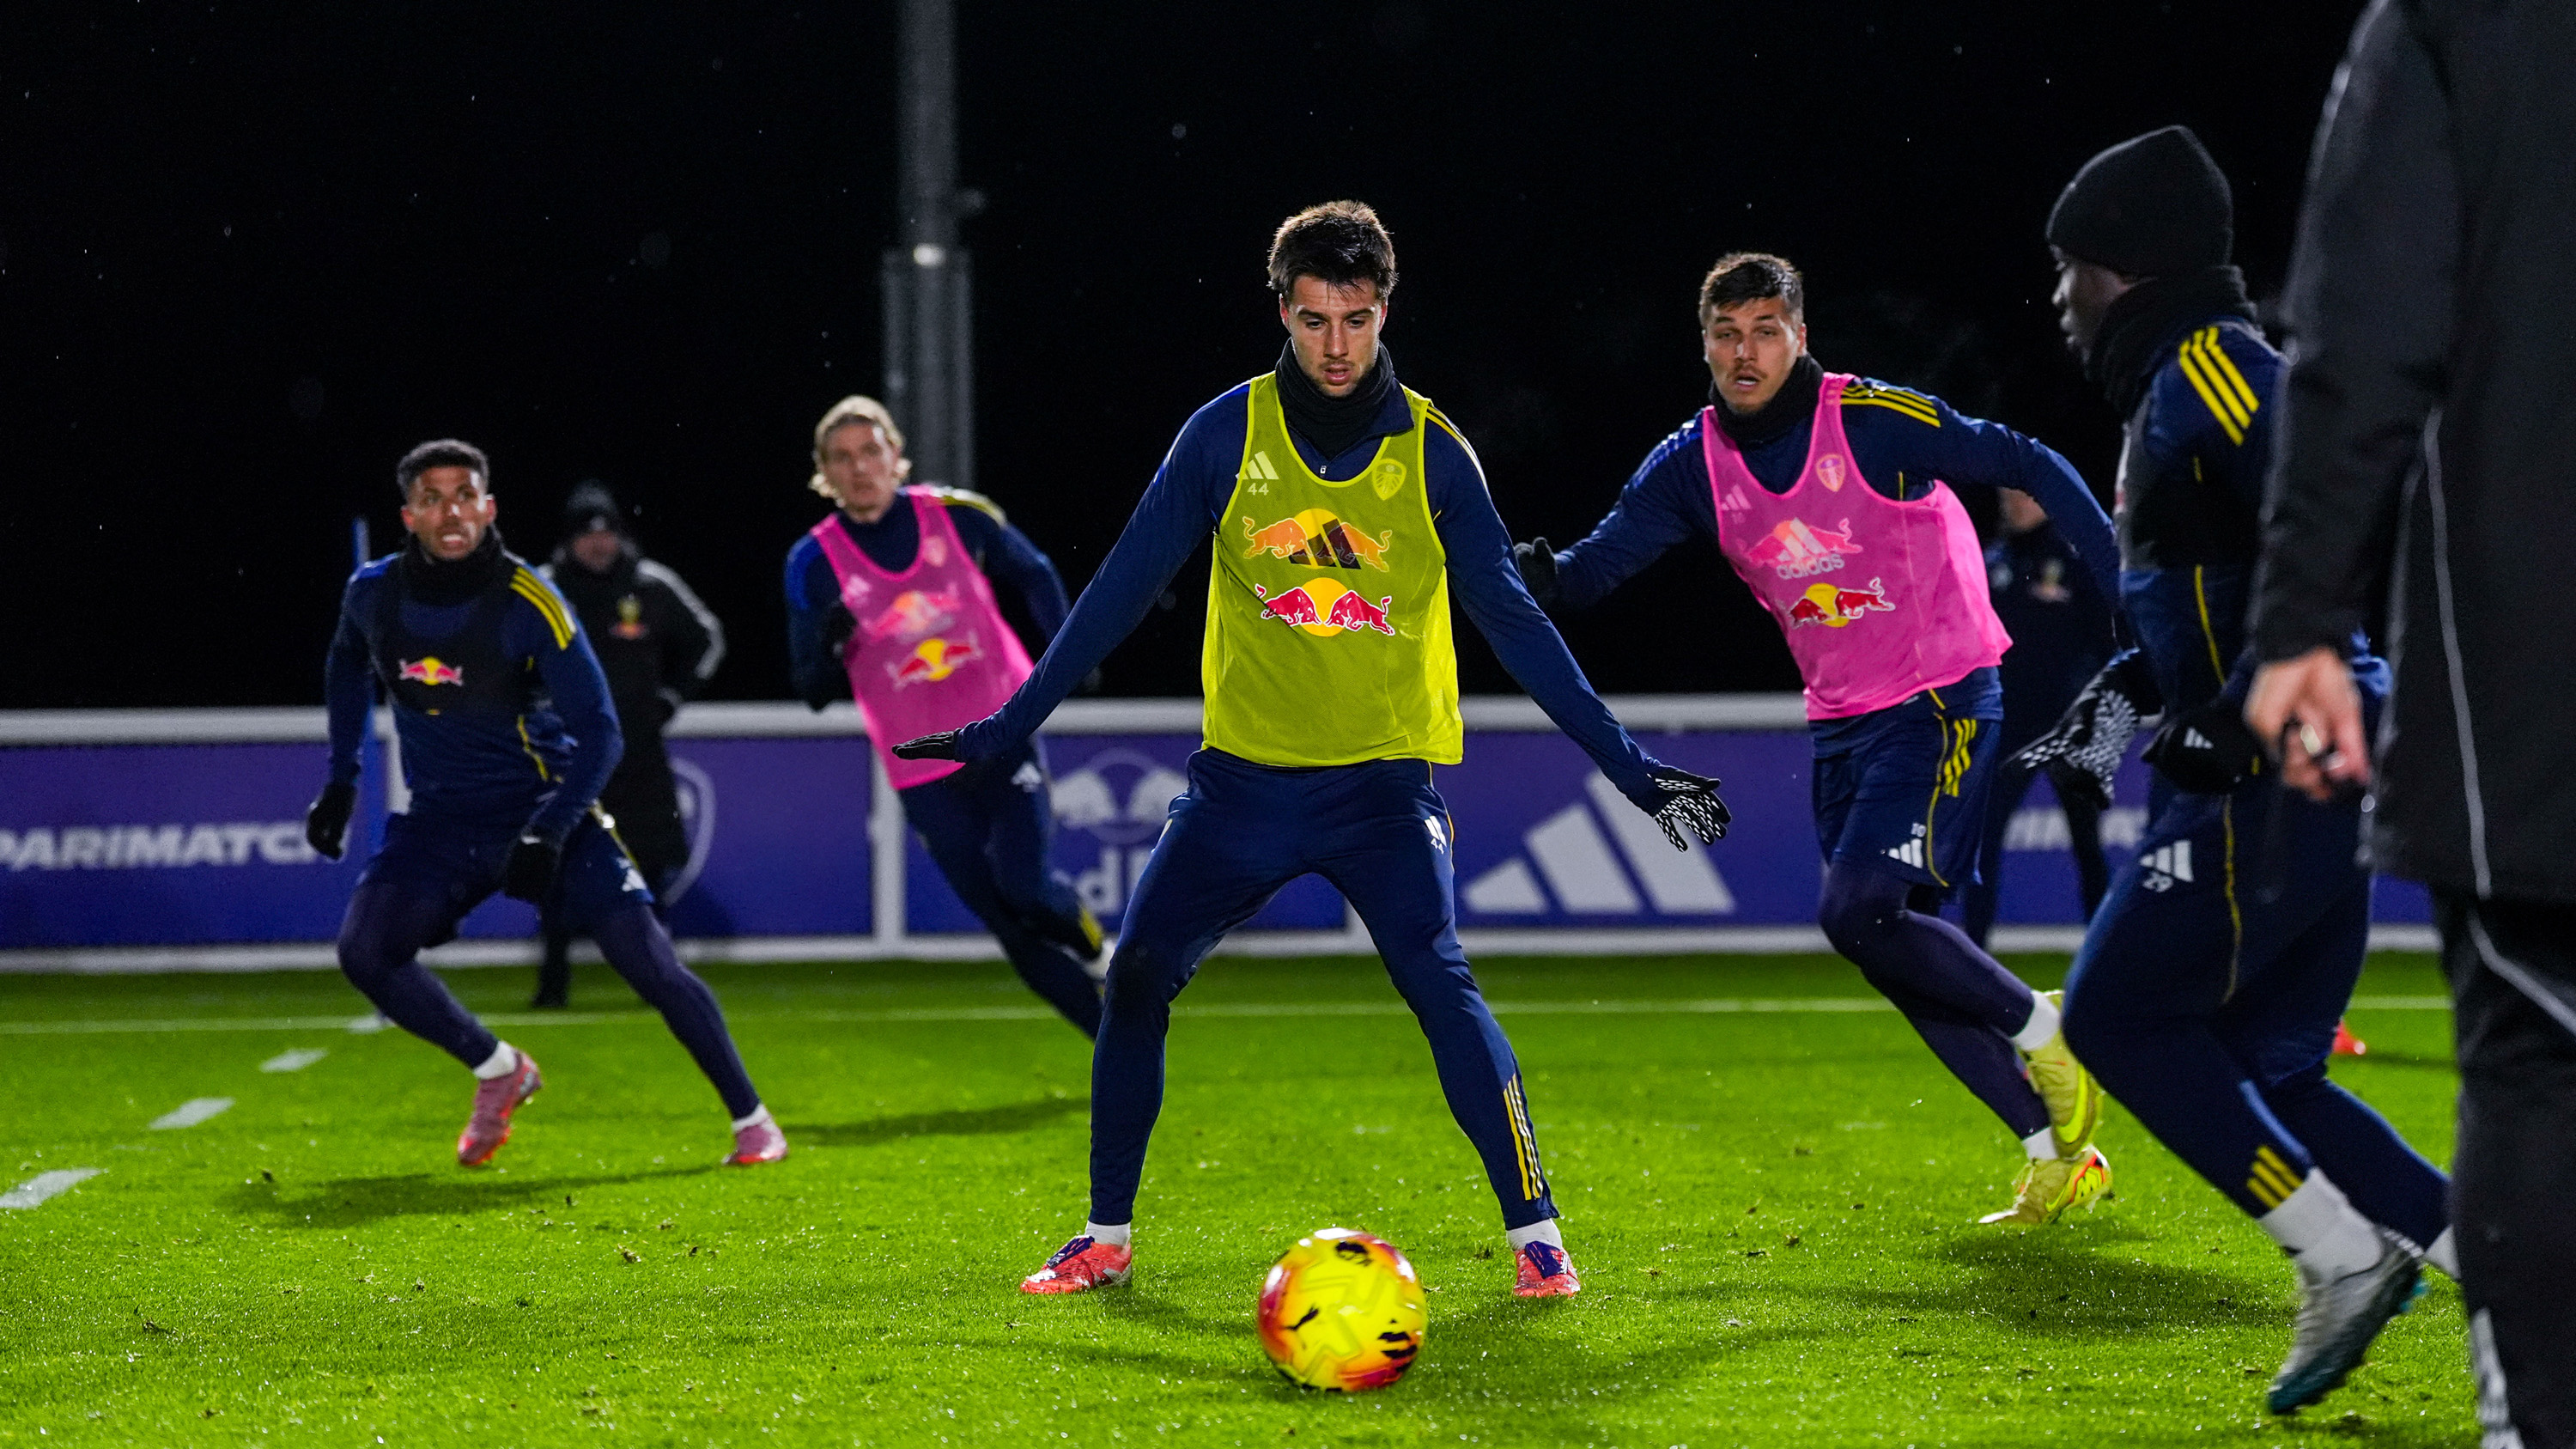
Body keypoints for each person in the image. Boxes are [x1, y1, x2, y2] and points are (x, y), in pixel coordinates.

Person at [895, 201, 1729, 1299]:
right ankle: (1104, 1237)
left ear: (1387, 311)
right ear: (1281, 311)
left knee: (1438, 978)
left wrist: (1633, 770)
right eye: (1315, 318)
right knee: (1136, 973)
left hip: (1383, 791)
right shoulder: (1222, 435)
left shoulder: (1435, 453)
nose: (1337, 344)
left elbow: (1517, 623)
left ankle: (1539, 1238)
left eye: (1358, 318)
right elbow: (1118, 591)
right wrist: (1011, 722)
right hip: (1238, 788)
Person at [1518, 252, 2118, 1226]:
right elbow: (1591, 571)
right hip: (1841, 720)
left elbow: (2025, 459)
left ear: (1800, 335)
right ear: (1704, 346)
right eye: (1726, 334)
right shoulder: (1690, 465)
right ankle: (2054, 1149)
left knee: (1857, 909)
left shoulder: (1870, 418)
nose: (1744, 352)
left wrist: (2122, 576)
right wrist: (1531, 576)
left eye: (1764, 330)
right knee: (1887, 944)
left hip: (1942, 697)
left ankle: (2045, 1032)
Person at [2026, 125, 2453, 1415]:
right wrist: (2136, 686)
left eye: (2074, 270)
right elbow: (2228, 579)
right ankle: (2520, 1274)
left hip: (2285, 768)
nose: (2059, 298)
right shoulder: (2172, 381)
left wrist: (2250, 710)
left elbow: (2341, 513)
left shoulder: (2211, 368)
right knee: (2274, 1068)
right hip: (2305, 762)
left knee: (2108, 1016)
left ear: (2136, 269)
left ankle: (2339, 1254)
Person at [2244, 3, 2576, 1437]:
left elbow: (2362, 323)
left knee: (2538, 1056)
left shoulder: (2453, 21)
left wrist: (2302, 615)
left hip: (2536, 655)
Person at [303, 440, 785, 1167]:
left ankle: (754, 1121)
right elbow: (345, 661)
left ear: (489, 506)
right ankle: (499, 1069)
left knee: (650, 966)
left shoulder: (530, 598)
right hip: (440, 821)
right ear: (409, 515)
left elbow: (601, 733)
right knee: (365, 952)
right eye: (431, 498)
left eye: (465, 493)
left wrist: (551, 830)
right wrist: (342, 777)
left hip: (542, 806)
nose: (451, 509)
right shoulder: (372, 593)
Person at [783, 395, 1108, 1036]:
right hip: (921, 772)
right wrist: (827, 643)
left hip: (999, 735)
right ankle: (1113, 1043)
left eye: (871, 451)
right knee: (1007, 927)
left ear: (897, 457)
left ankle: (1097, 947)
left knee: (1025, 884)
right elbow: (813, 690)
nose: (860, 468)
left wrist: (1072, 652)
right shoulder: (812, 564)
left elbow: (1037, 574)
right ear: (825, 473)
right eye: (842, 458)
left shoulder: (957, 516)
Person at [530, 480, 726, 1008]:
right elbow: (506, 654)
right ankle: (553, 983)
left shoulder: (650, 586)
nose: (599, 546)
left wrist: (672, 696)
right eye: (587, 537)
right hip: (568, 758)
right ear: (570, 541)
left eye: (608, 534)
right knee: (554, 867)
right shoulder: (544, 591)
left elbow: (709, 638)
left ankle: (658, 977)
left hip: (637, 755)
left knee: (651, 867)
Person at [1957, 488, 2113, 947]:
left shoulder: (2074, 559)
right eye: (2007, 496)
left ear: (2045, 502)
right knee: (1982, 842)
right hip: (2008, 729)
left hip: (2069, 727)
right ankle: (1974, 955)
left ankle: (2104, 956)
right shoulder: (1988, 563)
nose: (2013, 503)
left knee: (2087, 844)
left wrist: (2088, 704)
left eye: (2024, 496)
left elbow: (2105, 639)